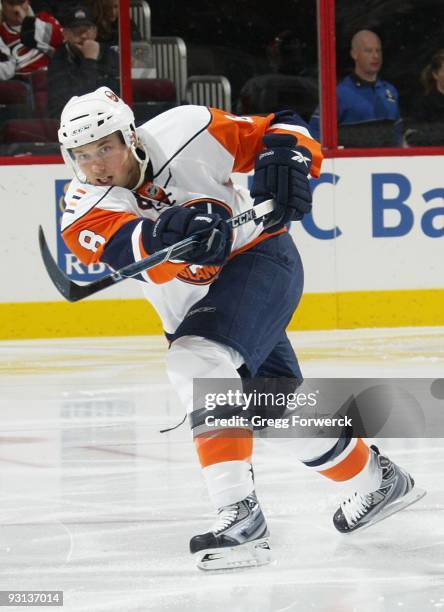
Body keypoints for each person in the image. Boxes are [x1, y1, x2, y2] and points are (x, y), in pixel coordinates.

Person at [57, 86, 422, 570]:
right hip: (195, 302)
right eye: (84, 155)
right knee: (277, 410)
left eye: (106, 146)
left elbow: (283, 125)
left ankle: (241, 519)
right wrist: (177, 232)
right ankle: (375, 481)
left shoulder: (188, 128)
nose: (97, 164)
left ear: (131, 136)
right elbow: (135, 249)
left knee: (196, 360)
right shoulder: (82, 208)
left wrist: (288, 157)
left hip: (259, 258)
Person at [309, 29, 401, 141]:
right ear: (354, 54)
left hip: (389, 157)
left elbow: (398, 134)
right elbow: (315, 134)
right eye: (368, 51)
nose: (375, 56)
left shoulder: (390, 91)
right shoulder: (339, 94)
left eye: (378, 50)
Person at [47, 6, 119, 118]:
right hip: (74, 120)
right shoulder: (57, 60)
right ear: (65, 34)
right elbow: (75, 100)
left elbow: (116, 93)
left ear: (95, 31)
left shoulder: (109, 54)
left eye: (87, 30)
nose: (84, 36)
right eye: (77, 31)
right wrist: (90, 60)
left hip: (109, 117)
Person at [237, 30, 318, 123]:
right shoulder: (257, 85)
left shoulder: (257, 84)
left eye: (294, 48)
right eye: (285, 49)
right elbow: (243, 118)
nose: (290, 53)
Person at [0, 0, 63, 77]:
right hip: (23, 82)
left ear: (28, 2)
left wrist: (27, 22)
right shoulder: (1, 33)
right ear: (2, 4)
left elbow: (61, 42)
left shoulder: (45, 18)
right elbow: (7, 71)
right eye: (11, 3)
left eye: (21, 2)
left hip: (54, 76)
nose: (16, 9)